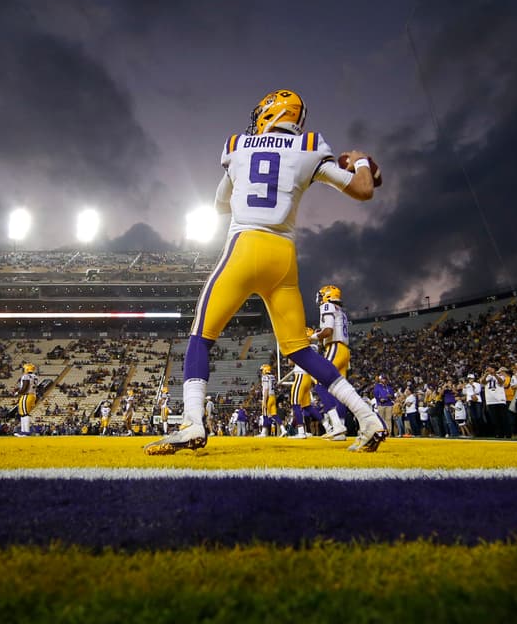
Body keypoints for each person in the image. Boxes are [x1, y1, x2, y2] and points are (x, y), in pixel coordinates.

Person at [144, 88, 386, 454]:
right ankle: (367, 417)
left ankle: (192, 421)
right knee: (300, 351)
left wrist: (240, 181)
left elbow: (220, 204)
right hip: (283, 257)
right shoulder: (309, 145)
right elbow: (364, 189)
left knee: (200, 337)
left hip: (245, 247)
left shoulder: (238, 145)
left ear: (270, 113)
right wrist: (362, 161)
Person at [313, 284, 354, 441]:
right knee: (339, 390)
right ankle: (340, 429)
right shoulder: (341, 311)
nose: (320, 299)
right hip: (344, 350)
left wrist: (311, 338)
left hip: (335, 347)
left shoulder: (327, 306)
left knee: (319, 383)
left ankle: (336, 425)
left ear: (327, 295)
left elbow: (328, 331)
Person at [14, 362, 40, 436]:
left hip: (27, 395)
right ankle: (23, 431)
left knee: (25, 414)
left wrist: (18, 392)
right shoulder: (35, 376)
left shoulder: (26, 376)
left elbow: (25, 386)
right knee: (23, 413)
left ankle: (26, 431)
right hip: (32, 395)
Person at [258, 363, 277, 437]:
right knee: (271, 415)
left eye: (262, 370)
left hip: (268, 397)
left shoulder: (265, 377)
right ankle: (281, 428)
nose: (262, 372)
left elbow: (266, 389)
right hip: (273, 396)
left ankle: (264, 432)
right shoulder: (272, 377)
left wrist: (264, 400)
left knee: (265, 415)